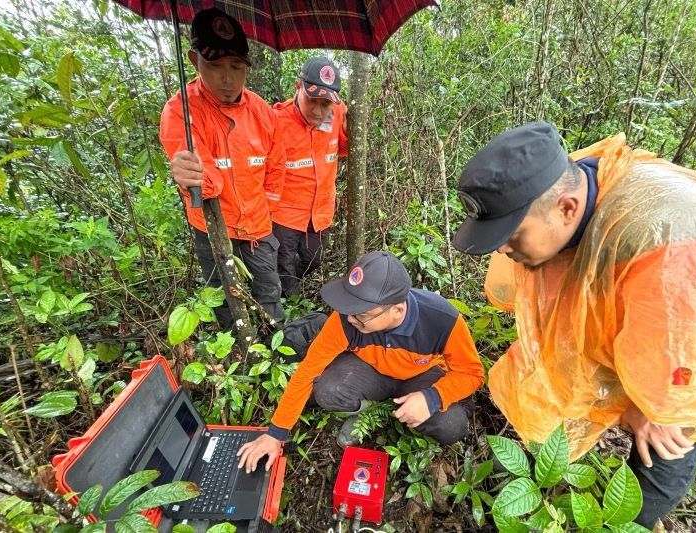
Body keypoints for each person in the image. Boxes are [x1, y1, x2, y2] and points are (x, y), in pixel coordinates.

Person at [453, 121, 696, 528]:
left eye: (511, 236)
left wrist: (651, 408)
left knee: (662, 448)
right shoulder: (564, 188)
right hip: (640, 316)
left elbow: (689, 350)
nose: (504, 250)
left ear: (566, 208)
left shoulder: (662, 233)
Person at [236, 251, 485, 473]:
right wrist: (276, 433)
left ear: (397, 310)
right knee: (327, 391)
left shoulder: (442, 320)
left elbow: (473, 373)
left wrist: (432, 398)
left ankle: (407, 408)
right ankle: (371, 412)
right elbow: (307, 371)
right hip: (370, 369)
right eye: (349, 310)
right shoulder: (346, 319)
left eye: (362, 314)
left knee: (451, 426)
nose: (351, 319)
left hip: (422, 375)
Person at [162, 8, 286, 325]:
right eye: (214, 66)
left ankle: (275, 354)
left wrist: (267, 209)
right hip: (212, 229)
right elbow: (209, 186)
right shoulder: (180, 113)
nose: (227, 78)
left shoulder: (262, 111)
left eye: (236, 66)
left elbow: (276, 166)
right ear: (193, 60)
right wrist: (191, 173)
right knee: (225, 300)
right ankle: (237, 356)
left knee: (269, 293)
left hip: (258, 229)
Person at [271, 57, 348, 296]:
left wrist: (350, 127)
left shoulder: (338, 113)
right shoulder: (276, 120)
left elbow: (345, 148)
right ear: (298, 88)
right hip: (285, 214)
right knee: (284, 268)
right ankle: (287, 309)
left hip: (320, 211)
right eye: (311, 101)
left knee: (314, 259)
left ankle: (283, 285)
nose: (317, 110)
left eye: (325, 104)